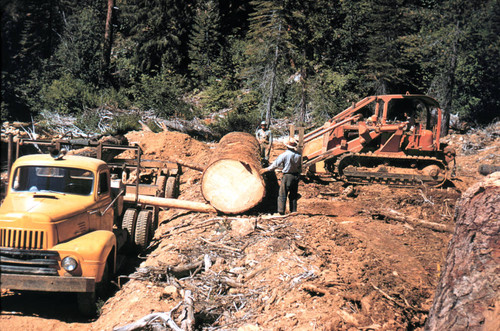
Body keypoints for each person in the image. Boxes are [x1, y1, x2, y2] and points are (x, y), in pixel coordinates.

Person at [260, 137, 301, 215]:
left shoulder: (284, 155)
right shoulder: (298, 155)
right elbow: (299, 166)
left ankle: (281, 211)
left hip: (287, 175)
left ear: (286, 146)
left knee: (282, 193)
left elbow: (275, 165)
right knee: (293, 194)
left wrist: (266, 169)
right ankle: (293, 210)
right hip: (296, 176)